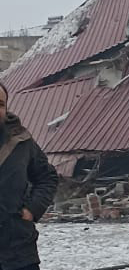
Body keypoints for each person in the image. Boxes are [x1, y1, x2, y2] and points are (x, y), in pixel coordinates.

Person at [0, 82, 59, 270]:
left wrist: (32, 209)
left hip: (18, 251)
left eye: (0, 104)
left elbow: (47, 177)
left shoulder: (21, 141)